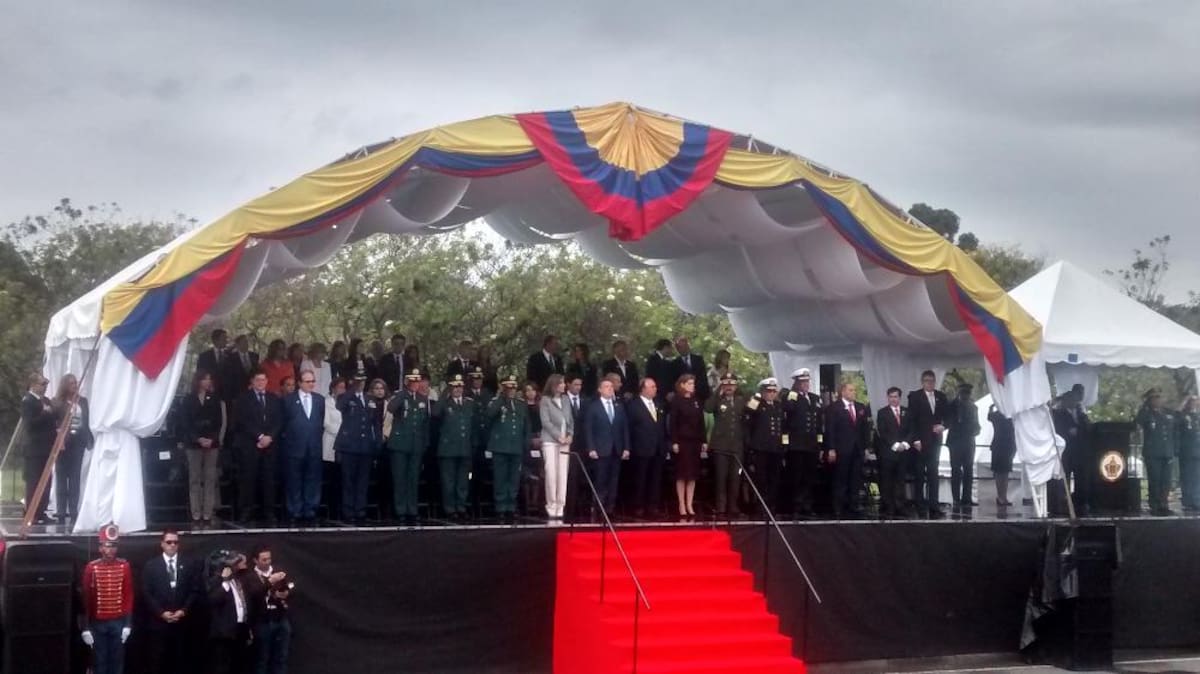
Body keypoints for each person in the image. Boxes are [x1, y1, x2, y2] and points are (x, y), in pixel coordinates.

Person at [142, 529, 198, 674]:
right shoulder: (151, 565)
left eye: (175, 542)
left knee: (181, 662)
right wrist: (161, 613)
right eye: (169, 542)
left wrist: (183, 610)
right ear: (162, 544)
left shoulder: (189, 563)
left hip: (182, 623)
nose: (172, 545)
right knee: (158, 662)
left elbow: (194, 590)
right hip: (159, 624)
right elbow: (147, 593)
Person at [81, 524, 134, 674]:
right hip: (98, 623)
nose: (111, 550)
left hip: (118, 621)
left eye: (114, 546)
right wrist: (85, 627)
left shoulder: (124, 566)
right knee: (99, 662)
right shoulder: (92, 568)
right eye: (107, 546)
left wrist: (128, 624)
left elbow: (128, 595)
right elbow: (85, 599)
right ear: (100, 548)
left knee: (117, 662)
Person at [233, 372, 283, 525]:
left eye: (263, 380)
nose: (261, 382)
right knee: (248, 479)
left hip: (270, 446)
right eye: (258, 380)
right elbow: (242, 421)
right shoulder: (243, 399)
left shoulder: (274, 399)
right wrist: (260, 436)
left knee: (268, 480)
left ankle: (268, 511)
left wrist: (270, 436)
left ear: (267, 381)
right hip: (250, 445)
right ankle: (247, 511)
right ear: (252, 382)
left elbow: (279, 420)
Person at [181, 370, 226, 526]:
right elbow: (185, 422)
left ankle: (208, 513)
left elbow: (218, 422)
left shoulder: (214, 399)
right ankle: (196, 513)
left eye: (209, 379)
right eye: (204, 379)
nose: (208, 382)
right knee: (195, 478)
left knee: (209, 478)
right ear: (198, 381)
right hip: (193, 444)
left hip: (211, 443)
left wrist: (211, 438)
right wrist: (197, 438)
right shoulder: (188, 399)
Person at [335, 371, 380, 525]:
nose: (361, 383)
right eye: (358, 380)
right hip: (349, 446)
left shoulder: (369, 399)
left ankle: (360, 510)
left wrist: (376, 443)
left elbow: (375, 423)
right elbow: (340, 406)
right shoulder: (346, 397)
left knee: (362, 480)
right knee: (348, 480)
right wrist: (352, 389)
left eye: (362, 380)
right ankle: (348, 511)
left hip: (365, 446)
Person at [281, 369, 324, 526]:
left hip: (313, 447)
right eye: (308, 381)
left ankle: (310, 510)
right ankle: (294, 511)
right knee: (294, 480)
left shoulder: (319, 400)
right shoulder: (288, 400)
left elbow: (320, 422)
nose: (311, 384)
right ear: (300, 383)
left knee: (313, 479)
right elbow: (283, 423)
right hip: (294, 447)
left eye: (313, 381)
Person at [388, 368, 430, 525]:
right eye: (412, 381)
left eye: (417, 381)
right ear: (407, 382)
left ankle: (412, 510)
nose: (415, 384)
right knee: (400, 479)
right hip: (400, 444)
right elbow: (391, 408)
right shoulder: (401, 396)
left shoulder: (422, 399)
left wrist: (424, 443)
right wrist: (404, 393)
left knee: (413, 479)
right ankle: (400, 510)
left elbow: (425, 423)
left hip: (416, 445)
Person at [583, 378, 631, 514]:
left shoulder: (619, 406)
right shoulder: (593, 406)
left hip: (617, 449)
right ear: (600, 390)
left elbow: (624, 428)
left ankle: (610, 507)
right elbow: (589, 429)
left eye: (611, 386)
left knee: (614, 479)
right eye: (606, 386)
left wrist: (627, 447)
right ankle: (598, 507)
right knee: (600, 479)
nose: (610, 389)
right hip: (600, 449)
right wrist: (591, 448)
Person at [486, 375, 530, 522]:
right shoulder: (497, 402)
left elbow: (526, 426)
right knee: (500, 478)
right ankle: (500, 507)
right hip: (500, 446)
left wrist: (526, 443)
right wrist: (501, 397)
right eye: (508, 387)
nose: (511, 390)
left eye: (513, 387)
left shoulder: (521, 404)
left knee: (514, 479)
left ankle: (511, 507)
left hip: (516, 446)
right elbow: (490, 414)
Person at [782, 368, 824, 518]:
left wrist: (819, 443)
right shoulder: (791, 396)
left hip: (811, 444)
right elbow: (787, 410)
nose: (806, 385)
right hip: (797, 443)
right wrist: (793, 394)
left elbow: (819, 422)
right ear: (797, 383)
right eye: (802, 382)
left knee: (809, 476)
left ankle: (807, 504)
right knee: (797, 476)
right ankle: (796, 505)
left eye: (807, 381)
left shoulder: (814, 398)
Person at [434, 374, 477, 521]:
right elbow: (435, 413)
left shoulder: (469, 403)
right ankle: (450, 508)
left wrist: (474, 446)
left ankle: (461, 507)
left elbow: (474, 426)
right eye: (454, 386)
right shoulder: (444, 404)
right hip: (448, 449)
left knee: (463, 481)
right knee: (448, 481)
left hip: (465, 448)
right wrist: (444, 394)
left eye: (460, 386)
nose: (457, 389)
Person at [52, 373, 92, 524]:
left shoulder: (82, 401)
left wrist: (88, 438)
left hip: (78, 442)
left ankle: (73, 510)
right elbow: (54, 422)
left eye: (75, 383)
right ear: (65, 386)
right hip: (64, 443)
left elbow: (86, 421)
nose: (75, 385)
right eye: (71, 383)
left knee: (75, 477)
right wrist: (58, 437)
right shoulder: (57, 402)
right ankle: (61, 511)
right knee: (62, 477)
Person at [825, 381, 870, 518]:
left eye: (854, 390)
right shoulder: (834, 408)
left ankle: (853, 505)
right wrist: (831, 448)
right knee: (841, 479)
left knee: (855, 479)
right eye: (850, 390)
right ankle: (839, 507)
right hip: (842, 449)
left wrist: (866, 447)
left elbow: (865, 430)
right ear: (843, 392)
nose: (853, 392)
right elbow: (830, 430)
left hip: (857, 450)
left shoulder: (860, 407)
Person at [908, 370, 948, 518]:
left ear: (935, 381)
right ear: (922, 381)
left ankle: (934, 505)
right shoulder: (915, 396)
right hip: (920, 442)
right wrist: (915, 439)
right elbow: (911, 420)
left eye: (931, 380)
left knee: (933, 473)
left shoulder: (941, 396)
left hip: (935, 441)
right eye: (926, 380)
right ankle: (919, 504)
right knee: (919, 474)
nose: (929, 383)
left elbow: (948, 416)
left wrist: (943, 426)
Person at [743, 378, 786, 518]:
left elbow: (783, 427)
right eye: (769, 391)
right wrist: (757, 397)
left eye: (774, 391)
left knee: (774, 478)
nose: (772, 394)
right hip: (761, 448)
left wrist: (784, 444)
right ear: (763, 391)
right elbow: (747, 413)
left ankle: (771, 505)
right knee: (761, 478)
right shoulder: (757, 404)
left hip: (776, 448)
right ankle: (759, 506)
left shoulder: (778, 406)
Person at [627, 377, 669, 520]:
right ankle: (638, 506)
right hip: (641, 448)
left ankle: (653, 506)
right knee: (640, 479)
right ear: (643, 389)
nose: (655, 389)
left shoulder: (659, 404)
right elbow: (629, 428)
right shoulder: (633, 405)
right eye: (651, 386)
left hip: (657, 449)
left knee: (655, 479)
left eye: (655, 386)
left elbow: (663, 427)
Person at [245, 545, 291, 674]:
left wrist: (285, 593)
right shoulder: (250, 576)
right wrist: (269, 582)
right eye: (264, 560)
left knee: (281, 657)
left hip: (280, 618)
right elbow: (253, 594)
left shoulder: (277, 571)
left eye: (269, 559)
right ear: (255, 561)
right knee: (262, 658)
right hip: (263, 621)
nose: (267, 562)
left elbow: (290, 587)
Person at [706, 373, 746, 518]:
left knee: (735, 478)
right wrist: (718, 392)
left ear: (736, 386)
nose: (729, 387)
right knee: (721, 477)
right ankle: (720, 507)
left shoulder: (741, 400)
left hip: (737, 446)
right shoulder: (717, 400)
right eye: (726, 384)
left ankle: (733, 506)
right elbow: (708, 408)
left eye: (732, 385)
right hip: (721, 446)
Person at [669, 374, 708, 519]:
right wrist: (674, 441)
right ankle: (681, 503)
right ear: (682, 385)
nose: (693, 386)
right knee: (682, 474)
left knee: (692, 475)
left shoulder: (697, 401)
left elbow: (701, 423)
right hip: (682, 441)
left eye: (693, 383)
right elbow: (673, 423)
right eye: (690, 383)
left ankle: (690, 503)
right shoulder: (676, 401)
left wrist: (704, 441)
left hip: (695, 442)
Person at [207, 550, 252, 674]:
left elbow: (243, 603)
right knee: (223, 665)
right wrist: (225, 581)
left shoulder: (239, 581)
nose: (238, 568)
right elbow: (212, 600)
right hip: (224, 632)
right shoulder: (215, 581)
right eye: (235, 565)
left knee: (239, 664)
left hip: (240, 628)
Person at [1052, 385, 1093, 516]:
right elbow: (1057, 429)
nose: (1074, 402)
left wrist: (1081, 423)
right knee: (1065, 477)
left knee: (1082, 477)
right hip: (1066, 450)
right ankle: (1064, 503)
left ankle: (1081, 503)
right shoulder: (1058, 413)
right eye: (1072, 399)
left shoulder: (1081, 413)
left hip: (1080, 451)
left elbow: (1088, 428)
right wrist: (1068, 431)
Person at [20, 372, 55, 523]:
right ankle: (31, 512)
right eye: (42, 384)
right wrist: (45, 414)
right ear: (33, 385)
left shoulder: (45, 400)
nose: (45, 387)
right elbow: (30, 424)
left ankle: (41, 511)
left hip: (47, 447)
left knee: (46, 481)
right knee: (34, 482)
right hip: (34, 449)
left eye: (46, 384)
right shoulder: (28, 401)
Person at [1136, 389, 1177, 516]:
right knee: (1155, 480)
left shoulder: (1166, 413)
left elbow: (1178, 416)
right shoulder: (1146, 413)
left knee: (1166, 481)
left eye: (1159, 397)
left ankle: (1164, 504)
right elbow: (1137, 423)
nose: (1157, 400)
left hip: (1166, 452)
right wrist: (1144, 406)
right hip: (1153, 452)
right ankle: (1154, 505)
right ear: (1149, 400)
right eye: (1154, 398)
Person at [539, 374, 574, 521]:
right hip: (550, 441)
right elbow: (546, 422)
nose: (564, 385)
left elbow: (571, 420)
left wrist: (570, 435)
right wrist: (557, 436)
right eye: (561, 383)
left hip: (565, 441)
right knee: (551, 474)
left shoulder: (566, 399)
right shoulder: (545, 400)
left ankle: (561, 505)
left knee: (562, 474)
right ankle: (551, 505)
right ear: (554, 385)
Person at [875, 387, 911, 518]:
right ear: (887, 397)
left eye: (895, 396)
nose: (893, 399)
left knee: (900, 481)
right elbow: (882, 432)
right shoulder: (882, 413)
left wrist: (905, 444)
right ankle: (888, 507)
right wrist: (895, 445)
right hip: (888, 453)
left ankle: (900, 506)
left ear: (899, 398)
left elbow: (912, 430)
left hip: (903, 453)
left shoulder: (907, 412)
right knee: (887, 481)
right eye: (891, 396)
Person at [946, 382, 981, 511]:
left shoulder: (973, 407)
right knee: (956, 470)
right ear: (958, 392)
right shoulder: (952, 405)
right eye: (963, 392)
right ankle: (956, 499)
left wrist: (977, 430)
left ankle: (967, 498)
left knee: (968, 470)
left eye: (967, 393)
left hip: (969, 441)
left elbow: (976, 424)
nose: (965, 395)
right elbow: (948, 421)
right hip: (955, 441)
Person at [322, 378, 347, 521]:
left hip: (346, 445)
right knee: (332, 479)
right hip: (331, 442)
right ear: (333, 388)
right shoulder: (327, 402)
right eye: (339, 387)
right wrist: (343, 432)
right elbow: (326, 423)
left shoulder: (348, 403)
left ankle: (342, 510)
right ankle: (331, 511)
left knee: (343, 479)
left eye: (344, 387)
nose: (341, 390)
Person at [521, 380, 545, 516]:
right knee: (527, 472)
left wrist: (540, 438)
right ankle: (527, 502)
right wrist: (529, 439)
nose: (531, 393)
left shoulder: (541, 406)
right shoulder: (521, 406)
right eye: (528, 390)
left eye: (533, 390)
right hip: (526, 441)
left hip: (540, 439)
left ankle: (536, 502)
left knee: (538, 472)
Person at [988, 404, 1017, 507]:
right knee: (1001, 473)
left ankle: (1003, 496)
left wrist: (991, 407)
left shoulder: (1003, 415)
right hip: (1002, 446)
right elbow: (990, 416)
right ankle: (1001, 496)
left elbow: (990, 416)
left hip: (1005, 446)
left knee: (1004, 473)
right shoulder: (1004, 416)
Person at [1178, 396, 1200, 513]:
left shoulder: (1197, 416)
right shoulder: (1183, 416)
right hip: (1186, 451)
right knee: (1187, 477)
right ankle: (1187, 501)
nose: (1195, 404)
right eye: (1193, 402)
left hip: (1197, 452)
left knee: (1197, 478)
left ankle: (1196, 501)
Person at [222, 334, 259, 402]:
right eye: (243, 342)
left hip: (253, 392)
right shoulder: (230, 358)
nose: (246, 344)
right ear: (237, 345)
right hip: (238, 393)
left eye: (247, 342)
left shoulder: (254, 356)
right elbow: (228, 378)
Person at [671, 337, 710, 401]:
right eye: (682, 347)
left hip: (701, 394)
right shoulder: (674, 363)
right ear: (677, 349)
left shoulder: (698, 359)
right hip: (684, 396)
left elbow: (703, 377)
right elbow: (675, 381)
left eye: (686, 346)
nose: (685, 349)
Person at [197, 329, 230, 394]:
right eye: (224, 338)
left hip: (227, 395)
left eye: (226, 338)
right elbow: (200, 376)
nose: (226, 341)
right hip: (209, 394)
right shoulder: (204, 357)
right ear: (215, 340)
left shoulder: (231, 356)